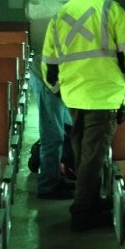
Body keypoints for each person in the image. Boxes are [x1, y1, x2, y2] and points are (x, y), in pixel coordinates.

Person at [42, 0, 125, 231]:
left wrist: (55, 88)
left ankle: (90, 201)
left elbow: (49, 60)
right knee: (92, 158)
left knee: (82, 153)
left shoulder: (60, 14)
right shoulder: (111, 8)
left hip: (74, 96)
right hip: (104, 95)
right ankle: (82, 213)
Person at [28, 46, 75, 199]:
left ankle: (55, 178)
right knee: (53, 135)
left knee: (60, 130)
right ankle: (48, 186)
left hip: (59, 78)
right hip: (48, 77)